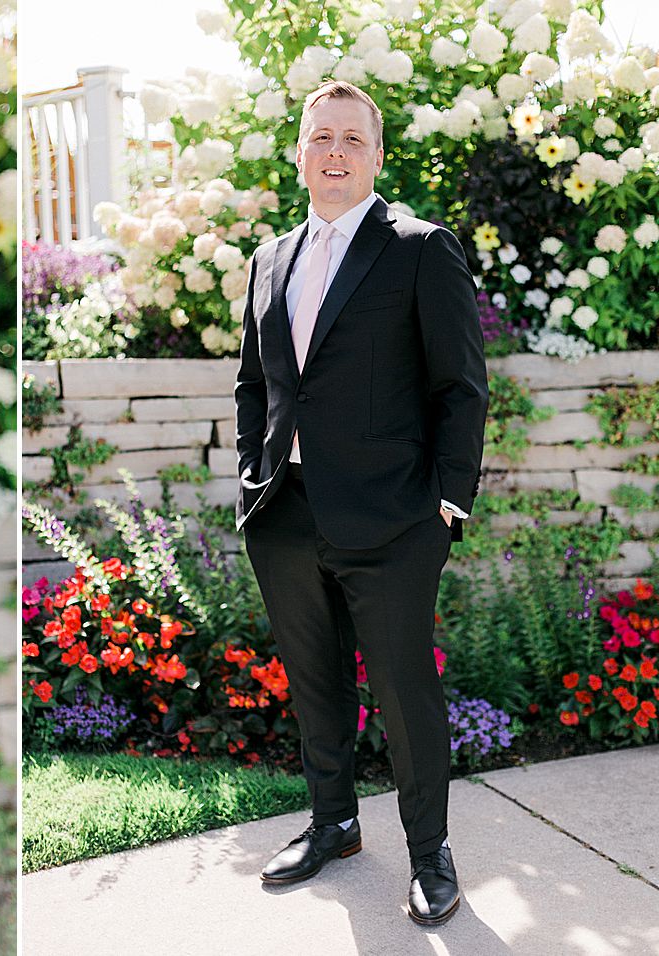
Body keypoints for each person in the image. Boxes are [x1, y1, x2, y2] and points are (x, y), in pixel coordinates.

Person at [234, 80, 488, 926]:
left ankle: (429, 856)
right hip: (287, 512)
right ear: (299, 153)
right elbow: (253, 385)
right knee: (316, 687)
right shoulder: (271, 258)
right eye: (320, 138)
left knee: (405, 692)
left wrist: (449, 504)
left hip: (394, 519)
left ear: (377, 157)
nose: (334, 152)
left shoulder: (419, 248)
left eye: (351, 139)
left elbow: (461, 386)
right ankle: (333, 823)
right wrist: (251, 476)